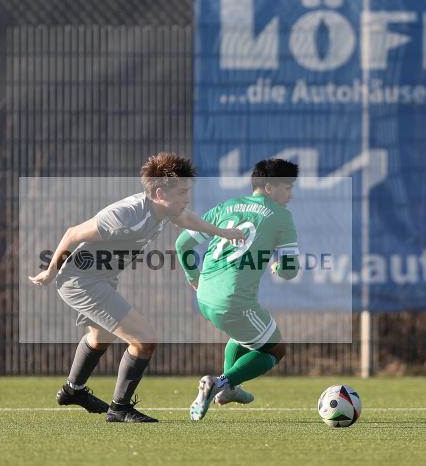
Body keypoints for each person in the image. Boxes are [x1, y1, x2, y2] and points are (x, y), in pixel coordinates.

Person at [28, 152, 244, 423]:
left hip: (100, 278)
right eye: (181, 193)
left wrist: (223, 232)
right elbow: (72, 234)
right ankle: (119, 408)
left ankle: (73, 390)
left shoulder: (165, 210)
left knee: (99, 338)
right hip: (81, 281)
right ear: (158, 192)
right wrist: (50, 272)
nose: (186, 199)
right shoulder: (125, 215)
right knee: (144, 340)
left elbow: (187, 219)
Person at [175, 158, 300, 421]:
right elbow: (290, 269)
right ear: (270, 188)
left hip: (205, 297)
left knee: (244, 338)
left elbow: (182, 244)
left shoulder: (226, 207)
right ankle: (220, 383)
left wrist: (193, 276)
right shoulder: (281, 216)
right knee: (275, 350)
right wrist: (278, 268)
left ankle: (228, 390)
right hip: (234, 302)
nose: (290, 195)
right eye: (287, 188)